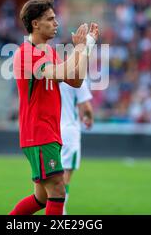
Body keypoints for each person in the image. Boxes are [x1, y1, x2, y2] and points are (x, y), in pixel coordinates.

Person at [10, 0, 99, 215]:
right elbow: (58, 74)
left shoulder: (48, 51)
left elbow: (75, 80)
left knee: (41, 198)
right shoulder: (26, 54)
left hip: (50, 132)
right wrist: (78, 49)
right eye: (50, 19)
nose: (56, 23)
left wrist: (87, 47)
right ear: (35, 24)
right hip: (39, 133)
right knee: (58, 189)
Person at [59, 79, 93, 215]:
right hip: (69, 131)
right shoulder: (76, 78)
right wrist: (89, 118)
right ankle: (60, 211)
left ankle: (56, 209)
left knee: (53, 175)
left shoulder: (52, 76)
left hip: (52, 129)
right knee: (65, 175)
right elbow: (86, 106)